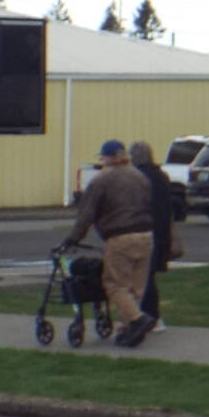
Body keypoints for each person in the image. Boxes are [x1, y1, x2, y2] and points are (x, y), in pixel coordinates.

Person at [60, 140, 158, 347]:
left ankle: (138, 320)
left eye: (102, 157)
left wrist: (73, 238)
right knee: (136, 286)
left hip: (120, 236)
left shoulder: (102, 179)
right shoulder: (140, 176)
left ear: (108, 157)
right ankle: (128, 329)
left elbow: (87, 213)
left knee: (115, 284)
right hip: (146, 235)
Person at [127, 139, 181, 327]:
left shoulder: (138, 178)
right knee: (147, 276)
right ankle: (149, 316)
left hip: (144, 232)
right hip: (161, 233)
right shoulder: (161, 176)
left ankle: (150, 317)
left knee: (142, 277)